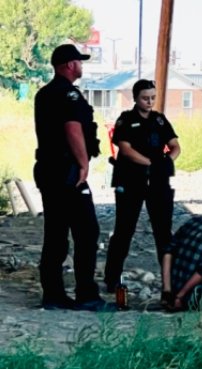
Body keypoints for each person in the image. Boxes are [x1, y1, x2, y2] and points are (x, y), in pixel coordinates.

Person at [33, 44, 113, 311]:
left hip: (47, 169)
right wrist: (82, 165)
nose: (82, 66)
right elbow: (73, 129)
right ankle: (87, 295)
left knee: (55, 233)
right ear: (69, 65)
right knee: (87, 231)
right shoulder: (69, 95)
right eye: (79, 61)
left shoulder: (44, 94)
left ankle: (53, 294)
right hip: (67, 172)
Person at [104, 79, 181, 292]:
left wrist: (167, 161)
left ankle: (170, 281)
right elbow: (125, 149)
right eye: (145, 98)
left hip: (158, 182)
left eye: (153, 98)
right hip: (131, 180)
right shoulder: (126, 120)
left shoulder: (159, 120)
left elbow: (174, 145)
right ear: (136, 98)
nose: (149, 102)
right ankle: (112, 279)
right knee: (124, 230)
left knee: (163, 232)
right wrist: (151, 163)